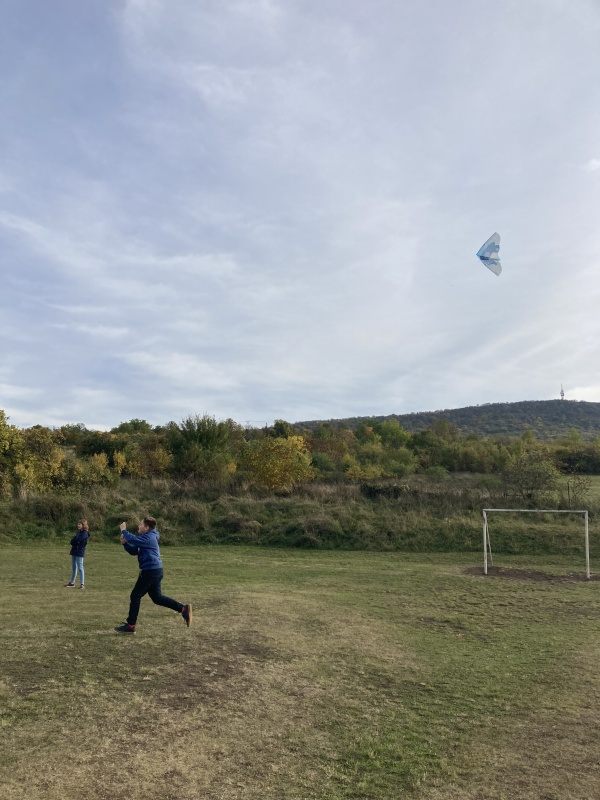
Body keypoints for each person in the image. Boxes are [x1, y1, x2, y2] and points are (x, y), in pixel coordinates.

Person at [114, 516, 192, 634]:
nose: (138, 526)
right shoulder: (146, 538)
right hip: (155, 571)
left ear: (146, 527)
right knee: (157, 598)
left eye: (141, 524)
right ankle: (183, 609)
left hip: (150, 572)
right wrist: (125, 544)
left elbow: (133, 539)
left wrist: (124, 531)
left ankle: (130, 626)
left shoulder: (149, 538)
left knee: (135, 596)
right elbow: (134, 551)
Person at [65, 519, 90, 589]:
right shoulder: (78, 532)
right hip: (74, 551)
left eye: (79, 524)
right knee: (74, 567)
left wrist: (75, 541)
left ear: (83, 525)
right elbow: (72, 541)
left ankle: (82, 584)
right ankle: (72, 583)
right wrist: (75, 541)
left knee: (80, 567)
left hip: (79, 552)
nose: (78, 525)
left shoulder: (85, 533)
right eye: (78, 524)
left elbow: (79, 541)